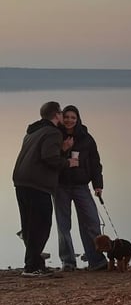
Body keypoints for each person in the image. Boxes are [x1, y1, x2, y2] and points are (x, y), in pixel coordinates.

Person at [13, 101, 78, 277]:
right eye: (61, 113)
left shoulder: (34, 131)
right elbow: (49, 157)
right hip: (37, 184)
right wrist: (68, 162)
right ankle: (32, 267)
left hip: (21, 182)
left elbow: (40, 154)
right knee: (41, 225)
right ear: (56, 115)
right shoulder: (52, 132)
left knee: (29, 224)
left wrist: (61, 148)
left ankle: (34, 263)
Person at [54, 106, 107, 271]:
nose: (69, 120)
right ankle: (68, 262)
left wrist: (98, 185)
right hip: (60, 185)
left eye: (73, 118)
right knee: (63, 225)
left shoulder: (86, 138)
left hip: (81, 185)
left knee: (91, 222)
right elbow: (50, 159)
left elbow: (95, 163)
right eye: (67, 117)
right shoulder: (56, 135)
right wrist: (63, 150)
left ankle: (96, 260)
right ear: (62, 118)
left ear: (78, 120)